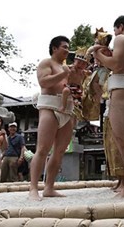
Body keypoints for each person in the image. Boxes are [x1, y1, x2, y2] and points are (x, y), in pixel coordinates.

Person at [92, 15, 124, 198]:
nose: (113, 34)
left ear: (120, 27)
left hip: (123, 92)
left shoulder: (122, 39)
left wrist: (97, 53)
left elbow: (117, 64)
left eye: (114, 30)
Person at [28, 35, 74, 201]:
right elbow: (44, 82)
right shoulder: (46, 63)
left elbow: (70, 86)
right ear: (55, 48)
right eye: (64, 47)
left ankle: (49, 187)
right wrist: (64, 74)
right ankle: (33, 188)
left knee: (60, 151)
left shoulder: (66, 67)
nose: (67, 50)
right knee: (42, 149)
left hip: (67, 108)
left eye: (68, 47)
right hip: (49, 107)